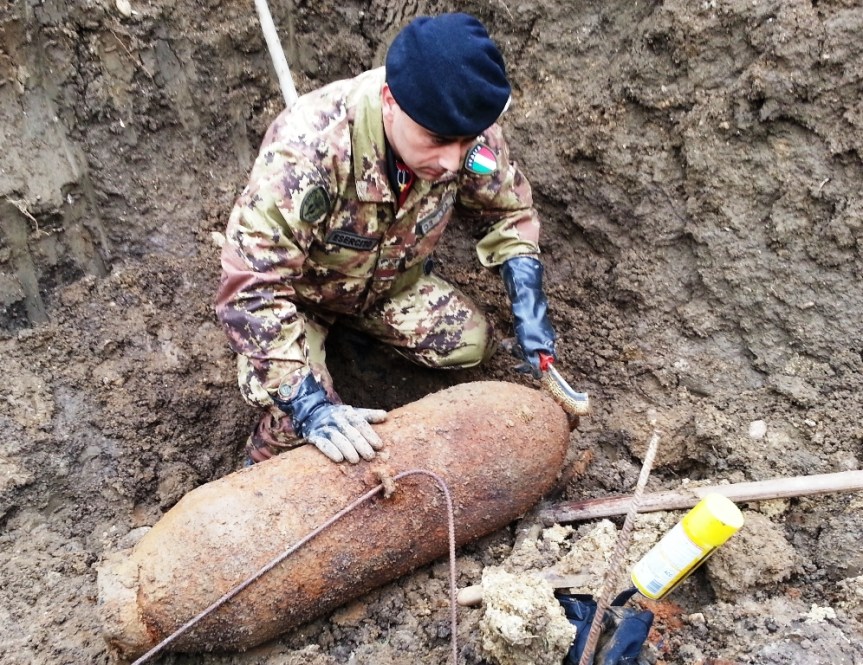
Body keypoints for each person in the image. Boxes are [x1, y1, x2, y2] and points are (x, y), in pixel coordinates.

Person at [216, 12, 557, 465]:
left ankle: (357, 345)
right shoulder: (309, 152)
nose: (453, 162)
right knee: (286, 411)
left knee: (471, 343)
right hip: (300, 301)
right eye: (437, 141)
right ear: (391, 100)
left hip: (389, 285)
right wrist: (310, 406)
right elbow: (250, 290)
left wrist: (529, 307)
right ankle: (253, 468)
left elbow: (509, 212)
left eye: (465, 142)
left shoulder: (462, 122)